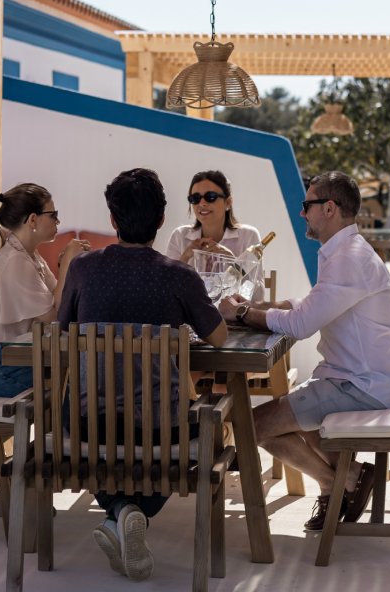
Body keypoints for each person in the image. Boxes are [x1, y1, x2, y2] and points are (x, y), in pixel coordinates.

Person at [58, 168, 227, 582]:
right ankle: (132, 512)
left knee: (92, 430)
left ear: (113, 221)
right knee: (197, 423)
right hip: (159, 427)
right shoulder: (179, 275)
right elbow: (220, 337)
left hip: (88, 424)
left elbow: (61, 334)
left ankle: (120, 511)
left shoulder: (82, 269)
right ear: (162, 219)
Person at [218, 170, 390, 532]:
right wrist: (262, 306)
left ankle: (337, 483)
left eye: (308, 205)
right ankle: (348, 478)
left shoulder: (348, 258)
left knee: (251, 425)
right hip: (359, 379)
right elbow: (311, 304)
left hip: (360, 385)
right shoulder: (346, 252)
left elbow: (302, 325)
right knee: (290, 411)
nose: (302, 213)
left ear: (330, 208)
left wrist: (242, 313)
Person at [0, 183, 89, 398]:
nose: (58, 221)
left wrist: (65, 267)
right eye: (53, 214)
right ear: (32, 220)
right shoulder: (15, 261)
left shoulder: (28, 256)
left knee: (81, 378)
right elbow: (54, 317)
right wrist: (67, 263)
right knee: (78, 385)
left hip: (5, 359)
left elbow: (59, 303)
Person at [165, 169, 261, 264]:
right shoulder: (179, 236)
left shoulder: (248, 236)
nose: (202, 203)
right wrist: (185, 257)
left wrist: (231, 260)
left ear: (228, 202)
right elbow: (166, 279)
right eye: (195, 198)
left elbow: (255, 280)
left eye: (210, 197)